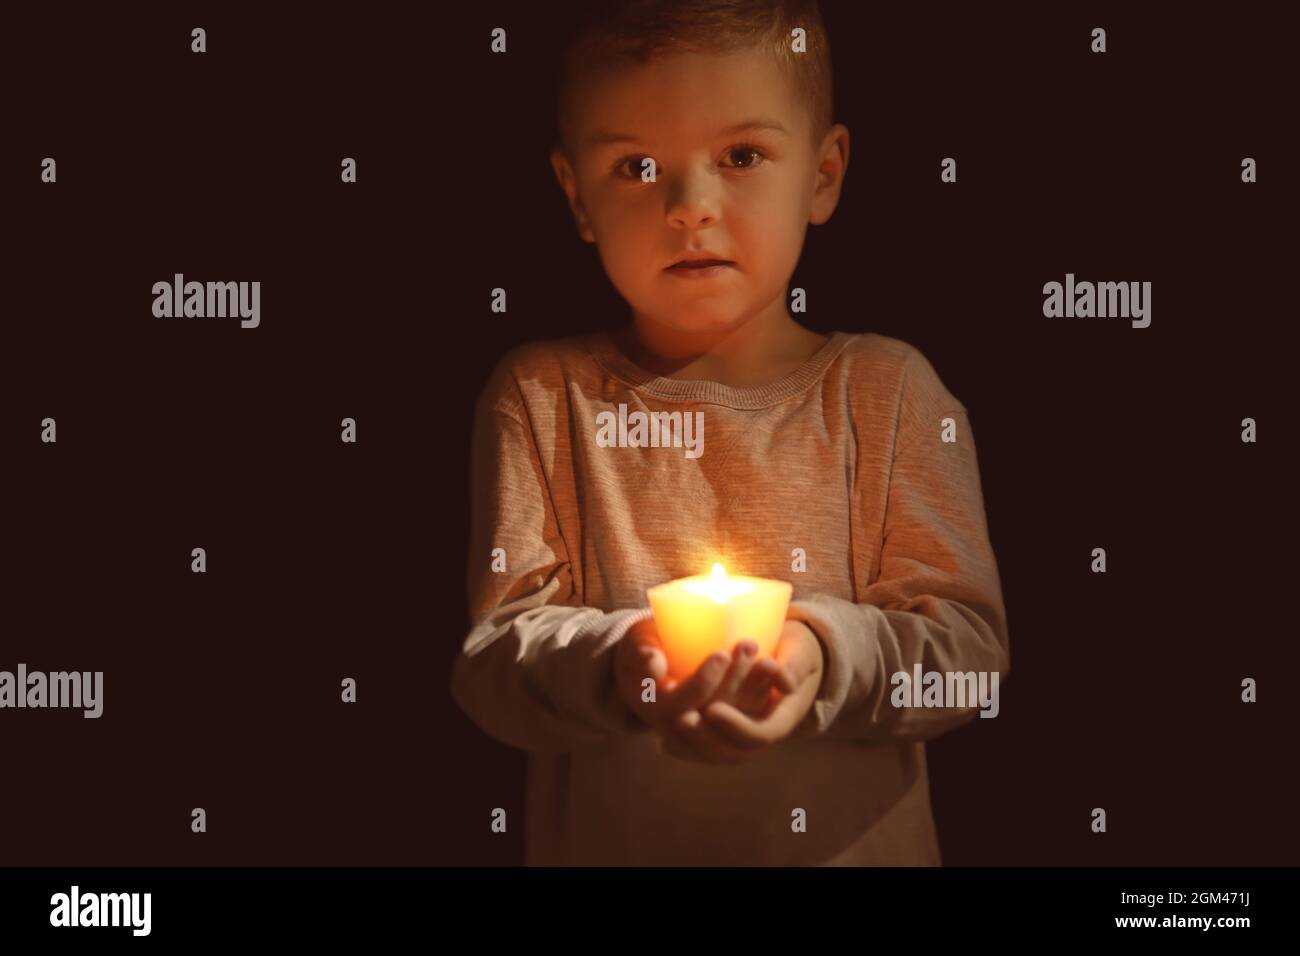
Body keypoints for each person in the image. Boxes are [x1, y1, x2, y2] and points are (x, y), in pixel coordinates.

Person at [451, 0, 1009, 865]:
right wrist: (625, 664)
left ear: (823, 174)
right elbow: (493, 667)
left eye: (742, 156)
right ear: (576, 195)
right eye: (637, 165)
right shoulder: (541, 399)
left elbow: (970, 655)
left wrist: (819, 658)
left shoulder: (891, 394)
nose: (690, 206)